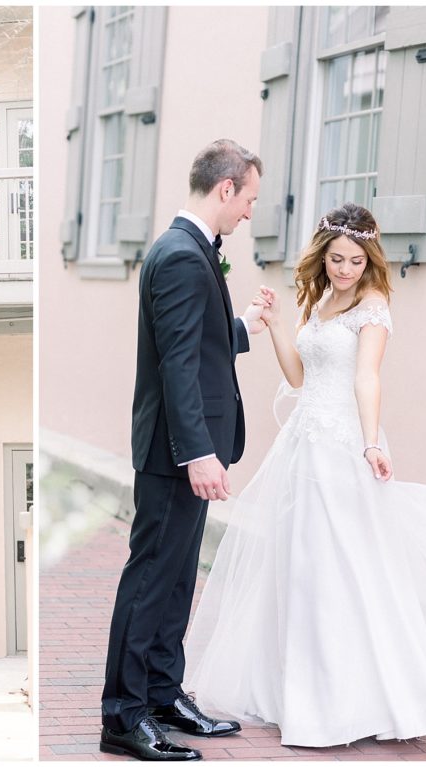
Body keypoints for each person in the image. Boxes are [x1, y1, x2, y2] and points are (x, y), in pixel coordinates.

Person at [182, 202, 426, 748]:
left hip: (346, 446)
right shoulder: (319, 300)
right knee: (300, 566)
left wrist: (371, 442)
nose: (345, 270)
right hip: (303, 445)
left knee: (346, 566)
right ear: (323, 258)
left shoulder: (373, 308)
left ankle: (354, 702)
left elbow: (367, 378)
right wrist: (275, 326)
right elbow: (300, 374)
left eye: (354, 261)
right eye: (337, 259)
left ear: (369, 261)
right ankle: (300, 696)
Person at [100, 139, 268, 762]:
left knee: (175, 582)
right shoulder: (179, 254)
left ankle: (163, 695)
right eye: (249, 197)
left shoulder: (194, 252)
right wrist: (198, 452)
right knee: (150, 580)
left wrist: (243, 325)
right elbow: (175, 363)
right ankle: (122, 715)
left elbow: (197, 341)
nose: (251, 211)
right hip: (176, 454)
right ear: (226, 189)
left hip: (188, 451)